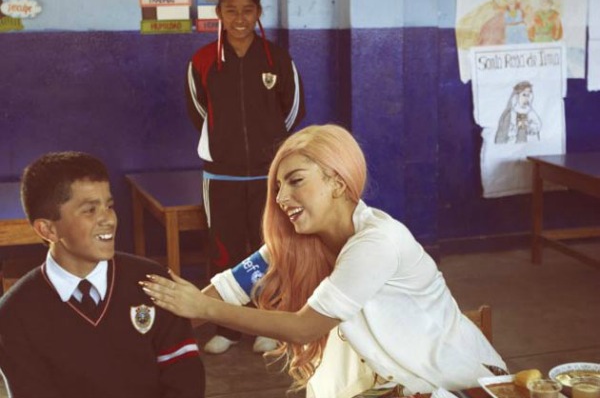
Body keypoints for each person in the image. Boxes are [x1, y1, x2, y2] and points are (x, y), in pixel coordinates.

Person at [140, 124, 507, 398]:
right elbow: (226, 290)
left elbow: (304, 328)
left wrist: (204, 308)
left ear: (337, 182)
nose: (281, 197)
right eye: (278, 186)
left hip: (455, 384)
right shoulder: (294, 243)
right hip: (392, 386)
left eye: (295, 181)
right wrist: (142, 319)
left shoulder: (377, 241)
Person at [0, 151, 205, 398]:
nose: (108, 219)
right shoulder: (14, 315)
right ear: (48, 230)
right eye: (90, 210)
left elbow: (186, 383)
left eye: (109, 206)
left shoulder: (154, 283)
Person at [185, 0, 305, 355]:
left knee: (271, 249)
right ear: (219, 14)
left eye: (248, 10)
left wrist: (271, 145)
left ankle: (269, 324)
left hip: (269, 175)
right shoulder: (202, 61)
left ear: (258, 13)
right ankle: (229, 327)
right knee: (225, 250)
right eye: (231, 10)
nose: (240, 18)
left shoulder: (276, 58)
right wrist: (225, 143)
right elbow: (198, 110)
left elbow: (293, 109)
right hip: (222, 176)